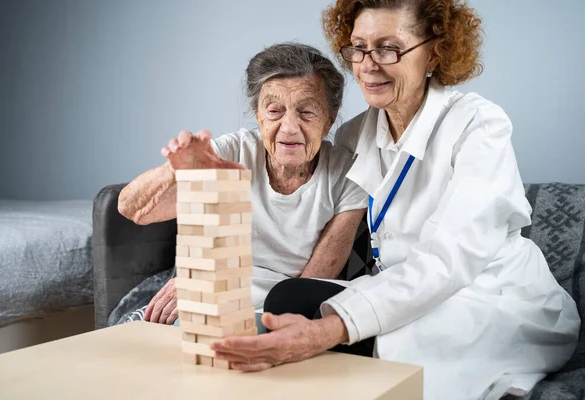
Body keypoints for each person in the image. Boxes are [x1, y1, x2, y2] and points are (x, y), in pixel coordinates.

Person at [209, 1, 581, 399]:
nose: (368, 65)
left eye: (389, 48)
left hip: (484, 293)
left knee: (410, 337)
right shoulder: (354, 136)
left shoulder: (478, 125)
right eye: (358, 47)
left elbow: (448, 259)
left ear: (435, 52)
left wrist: (329, 329)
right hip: (396, 289)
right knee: (291, 299)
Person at [116, 43, 367, 328]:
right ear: (258, 114)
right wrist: (173, 169)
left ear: (329, 119)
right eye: (274, 111)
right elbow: (131, 209)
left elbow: (312, 284)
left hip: (277, 306)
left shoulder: (347, 174)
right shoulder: (235, 150)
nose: (289, 127)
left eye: (307, 112)